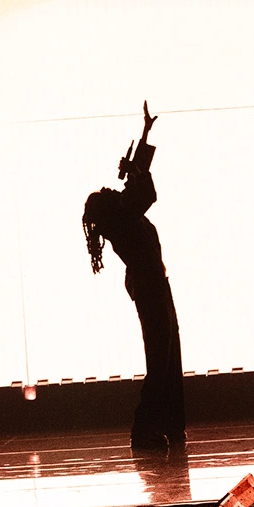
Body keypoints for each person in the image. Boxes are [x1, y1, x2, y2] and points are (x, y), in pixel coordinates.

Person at [84, 102, 185, 453]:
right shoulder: (122, 221)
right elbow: (145, 193)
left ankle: (170, 423)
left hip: (156, 285)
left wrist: (144, 134)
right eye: (106, 194)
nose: (111, 190)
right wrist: (136, 166)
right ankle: (143, 430)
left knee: (169, 358)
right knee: (161, 360)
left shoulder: (120, 216)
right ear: (108, 209)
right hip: (150, 289)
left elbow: (136, 187)